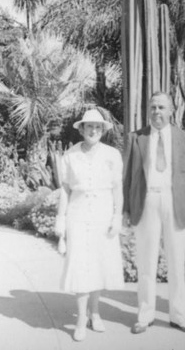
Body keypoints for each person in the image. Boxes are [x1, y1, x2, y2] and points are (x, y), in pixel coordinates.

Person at [123, 91, 185, 335]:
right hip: (147, 202)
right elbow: (128, 177)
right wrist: (126, 208)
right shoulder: (137, 138)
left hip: (174, 202)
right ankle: (145, 316)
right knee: (146, 262)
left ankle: (179, 316)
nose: (157, 112)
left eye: (162, 107)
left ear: (171, 110)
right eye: (153, 107)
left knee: (177, 262)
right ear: (149, 110)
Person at [54, 108, 124, 341]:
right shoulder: (71, 156)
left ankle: (95, 312)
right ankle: (81, 319)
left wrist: (117, 217)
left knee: (99, 265)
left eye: (97, 127)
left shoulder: (112, 154)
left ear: (102, 130)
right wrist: (60, 219)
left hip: (103, 215)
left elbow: (117, 189)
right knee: (82, 266)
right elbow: (65, 189)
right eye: (89, 126)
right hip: (78, 215)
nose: (93, 130)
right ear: (82, 129)